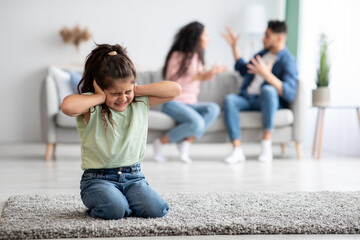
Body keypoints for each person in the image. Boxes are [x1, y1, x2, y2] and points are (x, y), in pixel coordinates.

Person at [61, 43, 182, 220]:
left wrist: (136, 89)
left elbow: (175, 90)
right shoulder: (93, 105)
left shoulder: (138, 101)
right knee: (115, 210)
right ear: (101, 89)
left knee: (157, 210)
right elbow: (67, 106)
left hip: (134, 177)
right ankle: (118, 203)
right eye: (115, 93)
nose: (123, 98)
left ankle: (125, 201)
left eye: (127, 91)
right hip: (98, 179)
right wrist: (100, 97)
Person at [221, 20, 298, 163]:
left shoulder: (288, 60)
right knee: (230, 100)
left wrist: (267, 75)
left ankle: (266, 145)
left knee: (268, 90)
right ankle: (237, 150)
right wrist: (234, 46)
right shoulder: (262, 54)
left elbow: (289, 92)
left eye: (267, 35)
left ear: (279, 38)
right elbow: (242, 69)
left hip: (266, 101)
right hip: (247, 98)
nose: (263, 39)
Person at [153, 21, 226, 164]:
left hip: (192, 103)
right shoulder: (177, 55)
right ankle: (161, 142)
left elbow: (195, 79)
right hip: (174, 102)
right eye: (206, 35)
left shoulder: (198, 56)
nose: (208, 39)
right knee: (198, 123)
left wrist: (208, 75)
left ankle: (186, 141)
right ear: (196, 37)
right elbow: (171, 83)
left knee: (214, 108)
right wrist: (197, 77)